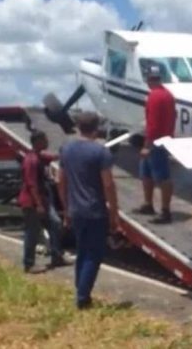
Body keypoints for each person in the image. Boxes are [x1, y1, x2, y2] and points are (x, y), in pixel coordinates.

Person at [58, 112, 120, 309]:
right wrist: (114, 212)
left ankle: (80, 289)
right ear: (96, 128)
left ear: (78, 126)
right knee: (94, 254)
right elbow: (108, 185)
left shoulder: (66, 150)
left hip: (76, 210)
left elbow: (61, 180)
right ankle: (83, 297)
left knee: (82, 251)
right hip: (95, 210)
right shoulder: (101, 152)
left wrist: (66, 208)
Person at [18, 130, 68, 273]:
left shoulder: (39, 157)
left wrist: (65, 153)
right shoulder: (31, 161)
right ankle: (29, 264)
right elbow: (31, 184)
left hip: (42, 201)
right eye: (45, 139)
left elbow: (52, 157)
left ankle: (57, 256)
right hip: (32, 202)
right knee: (32, 232)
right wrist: (38, 204)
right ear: (38, 141)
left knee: (56, 224)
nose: (47, 142)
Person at [135, 64, 176, 224]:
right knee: (146, 173)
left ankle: (165, 211)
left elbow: (153, 124)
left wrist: (147, 145)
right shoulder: (167, 95)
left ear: (147, 78)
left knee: (162, 176)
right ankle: (148, 204)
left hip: (156, 141)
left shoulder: (153, 97)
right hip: (162, 138)